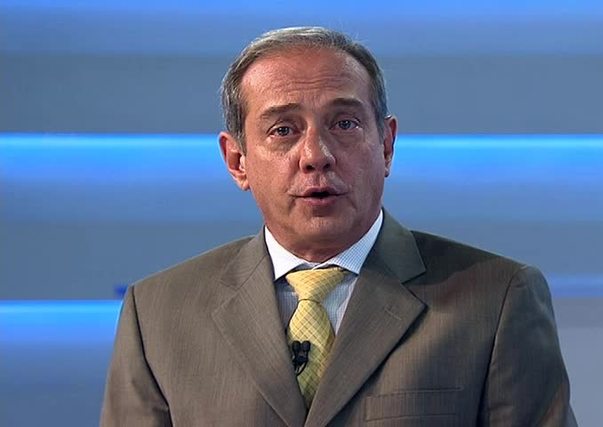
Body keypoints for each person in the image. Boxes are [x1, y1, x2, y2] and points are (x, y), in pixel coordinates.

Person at [101, 27, 577, 426]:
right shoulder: (158, 314)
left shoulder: (496, 300)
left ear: (386, 145)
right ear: (237, 160)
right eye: (283, 130)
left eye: (344, 124)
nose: (316, 155)